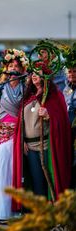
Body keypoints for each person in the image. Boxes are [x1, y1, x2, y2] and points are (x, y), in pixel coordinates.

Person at [13, 62, 71, 202]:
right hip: (30, 147)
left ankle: (53, 209)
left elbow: (62, 119)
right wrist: (22, 140)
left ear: (45, 76)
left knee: (50, 178)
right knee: (36, 180)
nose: (34, 76)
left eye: (37, 73)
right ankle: (41, 213)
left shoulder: (54, 95)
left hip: (46, 145)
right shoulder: (28, 96)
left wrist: (49, 114)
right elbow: (21, 122)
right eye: (32, 73)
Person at [0, 48, 28, 221]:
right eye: (10, 65)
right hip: (4, 138)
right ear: (6, 68)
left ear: (21, 69)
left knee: (18, 174)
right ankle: (1, 211)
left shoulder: (27, 90)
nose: (13, 68)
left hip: (21, 138)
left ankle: (15, 210)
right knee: (3, 173)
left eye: (16, 66)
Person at [61, 42, 76, 188]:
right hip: (68, 131)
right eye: (69, 72)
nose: (71, 74)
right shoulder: (66, 89)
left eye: (74, 71)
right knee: (69, 160)